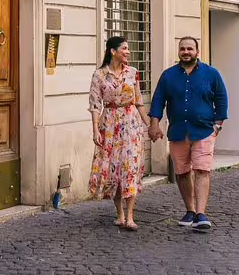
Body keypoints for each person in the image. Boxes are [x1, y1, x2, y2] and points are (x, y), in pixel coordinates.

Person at [147, 36, 228, 230]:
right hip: (178, 131)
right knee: (182, 172)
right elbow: (158, 101)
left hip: (204, 130)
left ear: (197, 52)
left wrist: (218, 124)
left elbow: (221, 98)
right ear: (178, 52)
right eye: (182, 49)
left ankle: (201, 213)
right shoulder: (168, 76)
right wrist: (154, 125)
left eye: (190, 49)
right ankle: (189, 210)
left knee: (202, 170)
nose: (186, 52)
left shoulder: (211, 73)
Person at [88, 36, 151, 231]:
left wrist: (149, 124)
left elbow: (139, 101)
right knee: (114, 168)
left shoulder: (133, 73)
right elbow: (94, 105)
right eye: (124, 48)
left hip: (130, 122)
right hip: (109, 123)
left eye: (128, 49)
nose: (128, 52)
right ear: (112, 51)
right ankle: (119, 214)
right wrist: (95, 129)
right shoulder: (99, 75)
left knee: (130, 166)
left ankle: (130, 216)